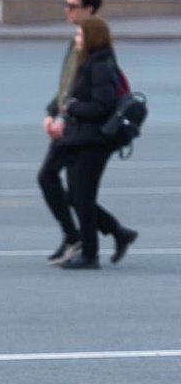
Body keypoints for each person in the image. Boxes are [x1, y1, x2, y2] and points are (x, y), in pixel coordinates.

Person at [58, 17, 138, 269]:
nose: (77, 39)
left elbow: (103, 106)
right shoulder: (91, 63)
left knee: (82, 196)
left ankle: (90, 255)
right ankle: (117, 232)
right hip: (82, 138)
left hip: (95, 142)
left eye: (80, 35)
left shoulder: (100, 66)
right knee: (77, 196)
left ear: (92, 38)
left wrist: (73, 107)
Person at [37, 0, 99, 265]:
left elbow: (88, 92)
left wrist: (65, 117)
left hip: (80, 127)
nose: (67, 10)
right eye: (66, 4)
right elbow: (67, 85)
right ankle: (106, 233)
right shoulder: (77, 39)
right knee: (67, 186)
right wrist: (52, 112)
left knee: (64, 184)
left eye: (73, 6)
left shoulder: (94, 42)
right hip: (69, 121)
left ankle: (80, 241)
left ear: (90, 9)